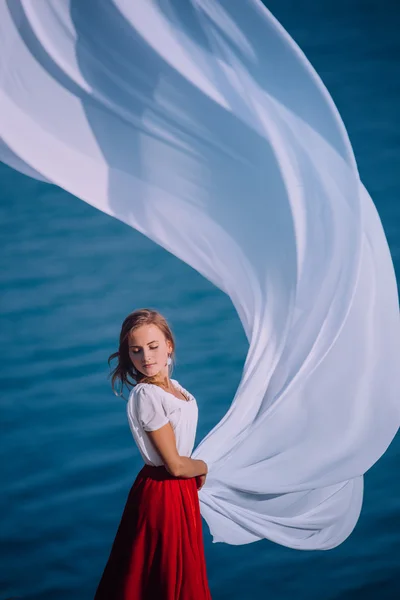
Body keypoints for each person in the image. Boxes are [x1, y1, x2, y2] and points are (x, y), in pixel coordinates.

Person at [94, 308, 212, 600]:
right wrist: (204, 466)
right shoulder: (147, 395)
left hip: (180, 491)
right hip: (164, 492)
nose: (146, 357)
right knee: (162, 579)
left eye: (153, 346)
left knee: (180, 574)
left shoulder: (176, 389)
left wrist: (193, 469)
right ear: (128, 356)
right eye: (136, 351)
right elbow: (174, 465)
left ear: (169, 345)